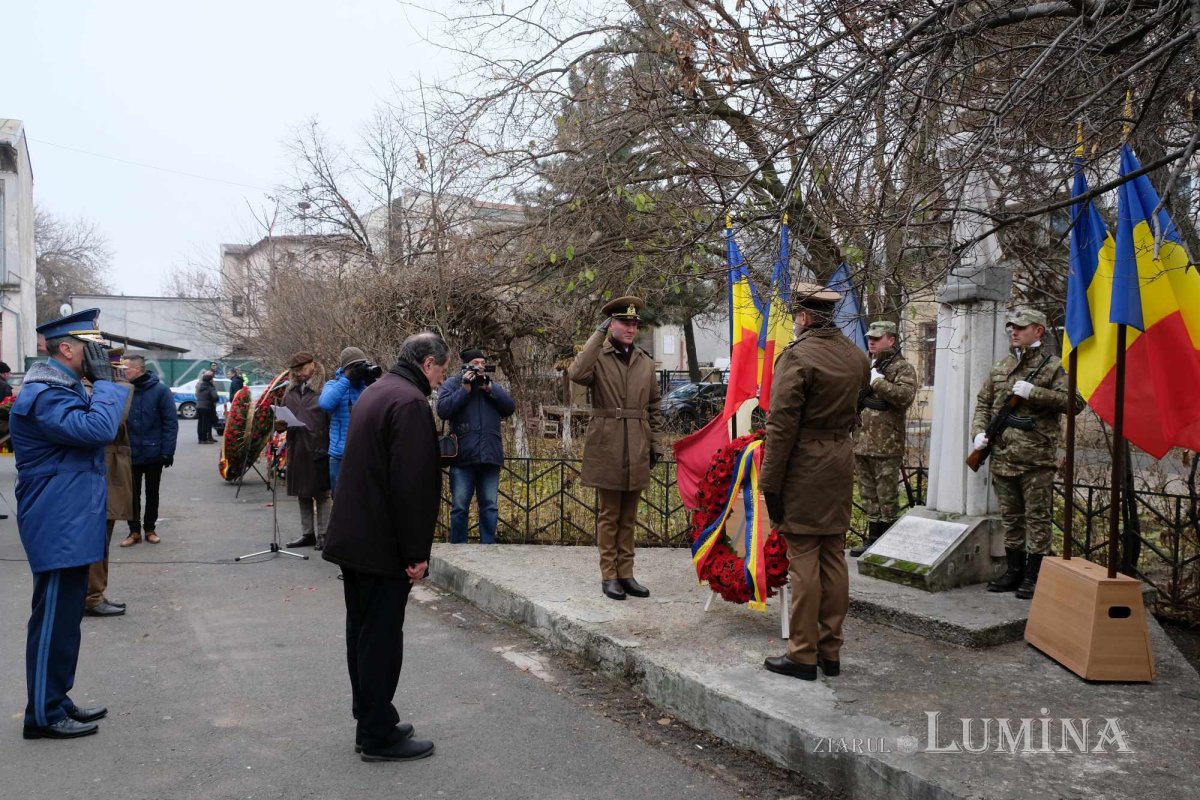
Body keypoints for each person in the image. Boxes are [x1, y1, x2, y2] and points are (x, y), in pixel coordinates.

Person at [322, 332, 447, 763]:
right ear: (428, 363)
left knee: (361, 632)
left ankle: (370, 718)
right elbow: (410, 486)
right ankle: (377, 734)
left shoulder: (379, 390)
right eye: (441, 372)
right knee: (380, 639)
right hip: (381, 545)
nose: (440, 382)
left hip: (356, 538)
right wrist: (416, 553)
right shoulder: (410, 403)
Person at [9, 308, 129, 739]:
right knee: (53, 617)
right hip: (57, 517)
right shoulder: (46, 393)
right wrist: (109, 387)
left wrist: (99, 385)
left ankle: (55, 699)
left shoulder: (63, 387)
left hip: (70, 516)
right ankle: (41, 714)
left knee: (65, 618)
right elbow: (97, 429)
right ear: (66, 348)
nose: (99, 356)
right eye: (91, 348)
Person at [760, 284, 870, 681]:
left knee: (803, 559)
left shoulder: (798, 357)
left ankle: (802, 654)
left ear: (804, 317)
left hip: (805, 464)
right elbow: (858, 405)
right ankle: (830, 651)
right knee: (833, 556)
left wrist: (770, 484)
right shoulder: (857, 356)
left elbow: (781, 426)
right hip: (840, 460)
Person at [972, 308, 1077, 600]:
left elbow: (1075, 403)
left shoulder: (1054, 366)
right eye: (1011, 328)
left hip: (1036, 460)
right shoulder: (1001, 366)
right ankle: (1014, 570)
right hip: (1003, 456)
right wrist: (978, 434)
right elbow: (983, 404)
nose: (1013, 332)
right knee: (1011, 517)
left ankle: (1034, 574)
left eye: (1020, 327)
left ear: (1038, 331)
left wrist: (1035, 393)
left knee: (1038, 518)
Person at [568, 296, 665, 601]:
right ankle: (609, 575)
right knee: (610, 514)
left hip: (636, 443)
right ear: (611, 324)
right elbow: (577, 373)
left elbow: (654, 407)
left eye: (635, 323)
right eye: (625, 322)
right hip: (607, 443)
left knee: (629, 516)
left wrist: (655, 445)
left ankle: (626, 574)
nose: (631, 328)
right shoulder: (598, 356)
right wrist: (597, 335)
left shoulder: (645, 361)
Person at [850, 321, 917, 557]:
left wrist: (877, 381)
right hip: (862, 442)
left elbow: (904, 397)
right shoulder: (868, 365)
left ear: (892, 340)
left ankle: (888, 545)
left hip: (886, 444)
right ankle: (873, 539)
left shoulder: (902, 368)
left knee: (887, 498)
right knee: (869, 496)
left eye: (878, 338)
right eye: (871, 337)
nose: (872, 341)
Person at [436, 347, 516, 544]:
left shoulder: (491, 387)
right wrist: (465, 390)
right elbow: (443, 410)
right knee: (460, 506)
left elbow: (510, 407)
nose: (480, 367)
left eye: (482, 363)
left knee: (489, 505)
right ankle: (458, 547)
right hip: (463, 456)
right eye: (475, 363)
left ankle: (488, 546)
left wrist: (492, 389)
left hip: (490, 455)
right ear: (466, 366)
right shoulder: (453, 384)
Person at [85, 347, 135, 617]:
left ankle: (95, 594)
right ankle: (92, 596)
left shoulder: (114, 390)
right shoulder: (103, 390)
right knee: (96, 539)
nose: (122, 372)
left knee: (101, 539)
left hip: (108, 471)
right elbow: (111, 425)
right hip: (101, 474)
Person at [119, 354, 179, 547]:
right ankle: (134, 531)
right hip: (130, 453)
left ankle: (150, 529)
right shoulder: (124, 391)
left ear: (138, 369)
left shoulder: (160, 391)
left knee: (152, 493)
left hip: (154, 453)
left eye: (126, 368)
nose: (123, 372)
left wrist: (167, 451)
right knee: (132, 495)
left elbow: (170, 422)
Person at [280, 352, 332, 550]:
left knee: (322, 493)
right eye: (295, 371)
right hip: (297, 447)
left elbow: (331, 420)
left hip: (319, 447)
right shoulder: (290, 391)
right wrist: (280, 425)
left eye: (302, 369)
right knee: (302, 492)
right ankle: (307, 534)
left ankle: (324, 535)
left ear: (312, 366)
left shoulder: (325, 389)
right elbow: (285, 415)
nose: (299, 374)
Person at [319, 346, 375, 493]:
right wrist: (347, 380)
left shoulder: (368, 387)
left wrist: (372, 382)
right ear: (345, 368)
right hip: (340, 456)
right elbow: (325, 404)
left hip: (366, 455)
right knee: (340, 504)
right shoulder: (333, 385)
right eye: (355, 366)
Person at [195, 371, 220, 444]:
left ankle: (200, 439)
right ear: (210, 379)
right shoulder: (210, 387)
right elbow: (215, 397)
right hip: (207, 407)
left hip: (199, 406)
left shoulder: (200, 386)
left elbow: (197, 394)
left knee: (200, 423)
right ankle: (204, 439)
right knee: (206, 423)